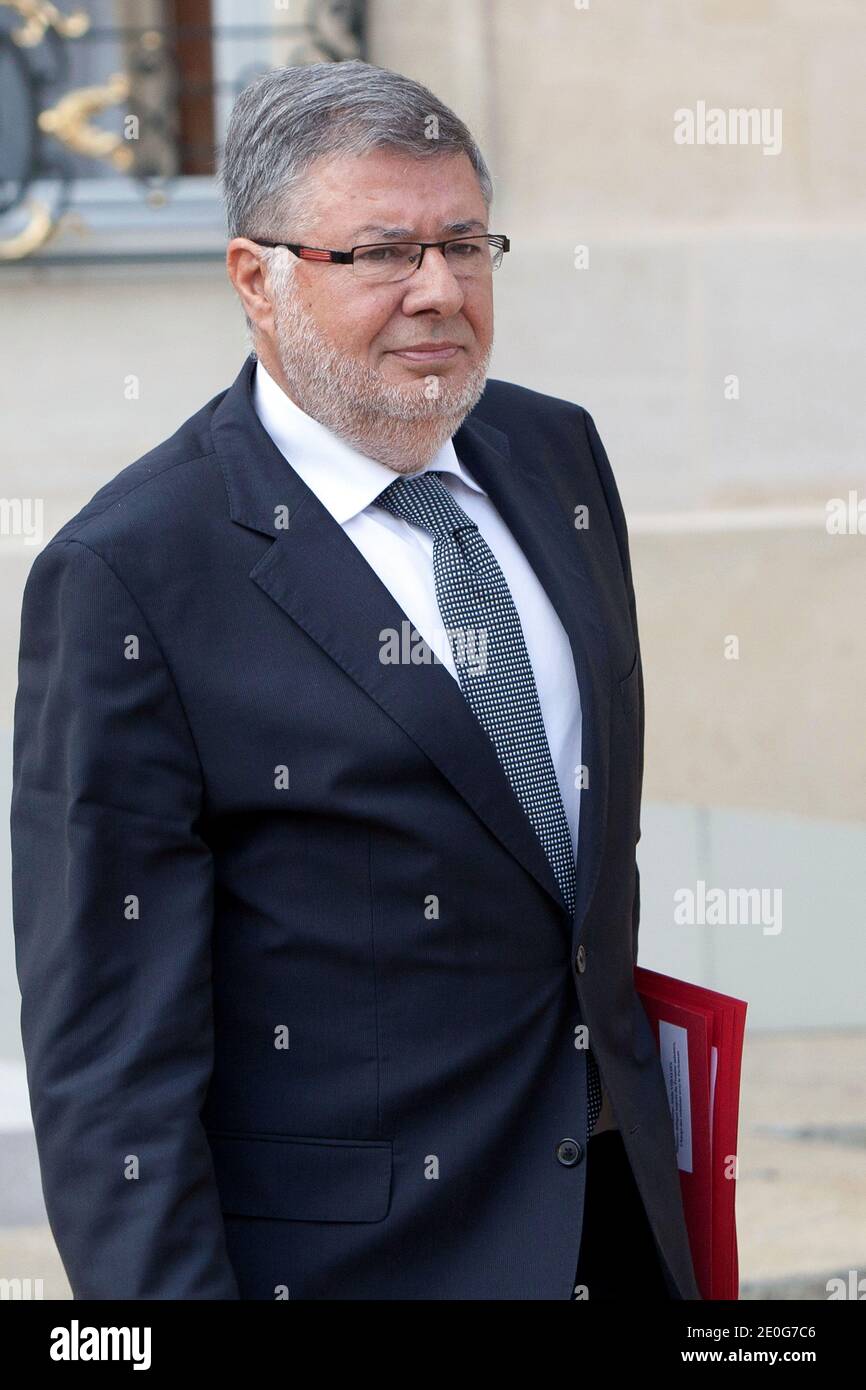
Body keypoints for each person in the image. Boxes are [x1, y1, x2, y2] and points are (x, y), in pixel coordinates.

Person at [11, 59, 699, 1300]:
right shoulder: (131, 575)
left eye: (464, 242)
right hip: (366, 1266)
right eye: (380, 252)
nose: (438, 290)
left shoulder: (556, 456)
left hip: (620, 1223)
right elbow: (110, 1059)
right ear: (253, 280)